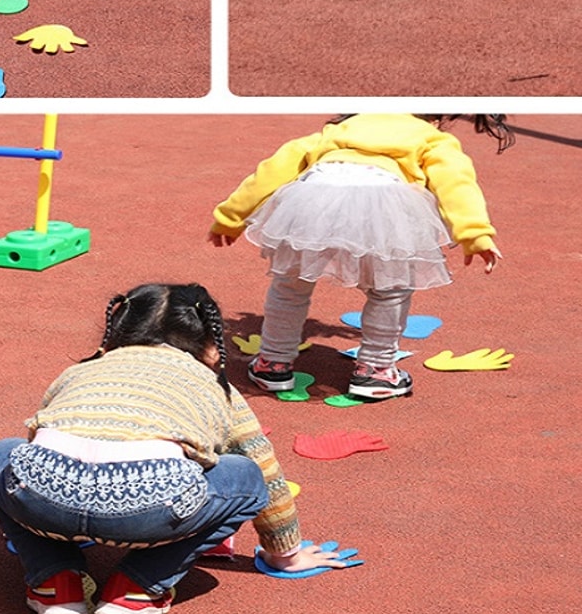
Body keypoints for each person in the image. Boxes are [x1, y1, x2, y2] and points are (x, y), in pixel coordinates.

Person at [0, 283, 350, 614]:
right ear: (209, 345)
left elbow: (38, 441)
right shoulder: (216, 387)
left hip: (45, 501)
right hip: (148, 508)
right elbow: (265, 473)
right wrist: (285, 554)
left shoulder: (81, 371)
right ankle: (139, 587)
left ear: (117, 332)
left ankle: (53, 577)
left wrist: (39, 525)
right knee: (247, 478)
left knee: (2, 456)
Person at [208, 114, 512, 401]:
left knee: (290, 285)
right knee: (390, 290)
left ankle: (272, 364)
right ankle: (376, 372)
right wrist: (475, 234)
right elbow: (456, 185)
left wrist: (229, 218)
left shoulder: (337, 131)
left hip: (314, 200)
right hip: (384, 204)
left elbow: (270, 172)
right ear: (434, 117)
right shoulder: (431, 137)